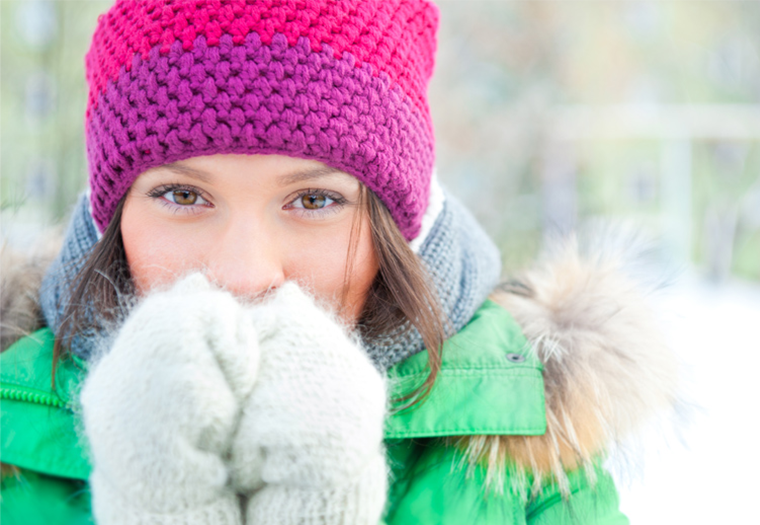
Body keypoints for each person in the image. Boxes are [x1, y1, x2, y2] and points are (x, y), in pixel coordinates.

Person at [0, 1, 679, 524]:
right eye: (183, 195)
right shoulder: (11, 436)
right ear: (109, 218)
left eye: (314, 199)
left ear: (395, 223)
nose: (242, 273)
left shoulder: (521, 444)